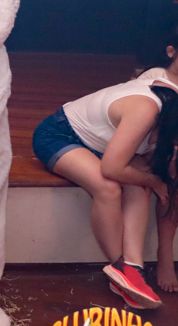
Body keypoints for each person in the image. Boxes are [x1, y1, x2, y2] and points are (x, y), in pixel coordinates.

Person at [32, 75, 178, 309]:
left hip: (110, 148)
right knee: (108, 188)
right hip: (62, 136)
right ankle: (120, 268)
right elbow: (111, 169)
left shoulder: (170, 118)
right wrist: (154, 182)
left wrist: (155, 181)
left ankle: (133, 267)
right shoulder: (146, 110)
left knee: (141, 183)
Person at [137, 28, 178, 291]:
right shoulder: (155, 78)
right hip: (144, 147)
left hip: (169, 147)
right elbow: (151, 133)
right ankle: (165, 254)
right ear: (171, 52)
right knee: (174, 169)